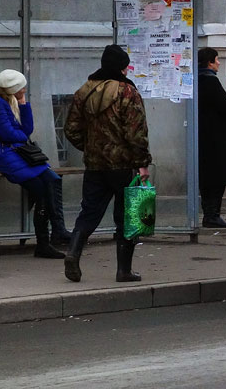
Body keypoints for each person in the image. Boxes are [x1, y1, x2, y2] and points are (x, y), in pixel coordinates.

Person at [63, 44, 153, 282]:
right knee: (129, 217)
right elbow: (136, 133)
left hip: (95, 165)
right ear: (122, 68)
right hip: (124, 165)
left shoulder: (84, 91)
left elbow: (70, 129)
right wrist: (142, 163)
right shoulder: (127, 92)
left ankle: (73, 252)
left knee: (89, 212)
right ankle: (123, 270)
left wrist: (92, 147)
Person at [0, 69, 71, 258]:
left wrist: (24, 106)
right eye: (21, 88)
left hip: (18, 152)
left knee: (53, 179)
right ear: (13, 88)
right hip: (5, 153)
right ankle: (44, 242)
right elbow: (8, 133)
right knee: (42, 190)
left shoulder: (11, 101)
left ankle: (58, 229)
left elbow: (27, 129)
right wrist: (22, 136)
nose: (24, 90)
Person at [198, 47, 226, 228]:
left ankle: (209, 213)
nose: (219, 63)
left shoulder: (196, 81)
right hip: (216, 138)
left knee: (207, 178)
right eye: (217, 59)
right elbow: (225, 107)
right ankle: (213, 214)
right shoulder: (211, 82)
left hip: (202, 137)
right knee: (218, 177)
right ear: (210, 62)